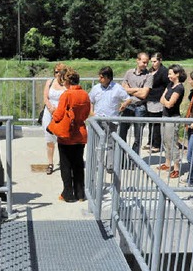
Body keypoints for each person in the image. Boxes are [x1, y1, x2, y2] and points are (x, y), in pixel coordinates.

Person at [54, 68, 90, 203]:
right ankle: (80, 194)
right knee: (78, 164)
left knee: (66, 165)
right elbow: (86, 114)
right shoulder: (85, 95)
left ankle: (68, 193)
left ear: (68, 81)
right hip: (80, 133)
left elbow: (58, 114)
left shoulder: (66, 95)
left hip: (66, 134)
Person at [88, 66, 129, 173]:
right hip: (97, 120)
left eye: (101, 77)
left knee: (111, 144)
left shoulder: (117, 88)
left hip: (111, 120)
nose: (99, 79)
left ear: (108, 78)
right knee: (97, 143)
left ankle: (110, 165)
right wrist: (92, 114)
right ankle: (97, 164)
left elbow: (128, 99)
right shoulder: (96, 88)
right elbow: (89, 101)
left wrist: (123, 105)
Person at [121, 52, 153, 155]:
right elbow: (123, 89)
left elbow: (144, 94)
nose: (146, 65)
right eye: (144, 62)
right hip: (128, 106)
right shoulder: (129, 73)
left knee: (137, 136)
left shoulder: (149, 76)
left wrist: (130, 89)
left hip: (140, 106)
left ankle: (133, 160)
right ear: (137, 60)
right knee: (122, 133)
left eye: (147, 63)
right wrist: (138, 89)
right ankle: (121, 159)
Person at [158, 64, 187, 179]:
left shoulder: (179, 88)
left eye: (170, 73)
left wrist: (166, 101)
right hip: (165, 116)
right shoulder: (170, 85)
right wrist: (166, 101)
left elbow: (170, 104)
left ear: (177, 74)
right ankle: (167, 163)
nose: (168, 75)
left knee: (172, 142)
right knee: (165, 141)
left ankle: (176, 168)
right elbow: (162, 100)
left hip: (173, 118)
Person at [41, 63, 68, 175]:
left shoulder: (67, 84)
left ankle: (65, 162)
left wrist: (60, 109)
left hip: (62, 113)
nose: (57, 74)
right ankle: (50, 163)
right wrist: (50, 108)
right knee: (49, 139)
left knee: (63, 139)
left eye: (59, 71)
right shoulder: (50, 82)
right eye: (55, 71)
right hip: (49, 112)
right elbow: (45, 97)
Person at [145, 52, 170, 153]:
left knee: (156, 123)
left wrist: (164, 98)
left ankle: (157, 144)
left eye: (155, 61)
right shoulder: (150, 71)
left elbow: (168, 86)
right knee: (151, 122)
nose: (153, 64)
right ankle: (150, 141)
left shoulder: (164, 72)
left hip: (158, 100)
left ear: (160, 60)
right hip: (149, 99)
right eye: (152, 62)